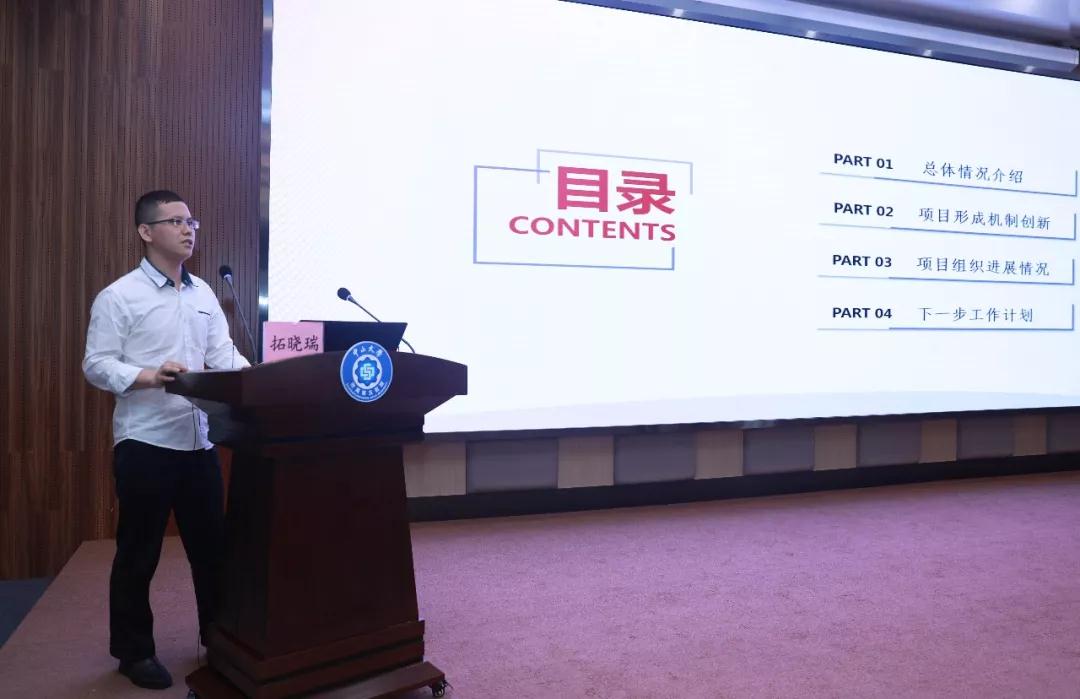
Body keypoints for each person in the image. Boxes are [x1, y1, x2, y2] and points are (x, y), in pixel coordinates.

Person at [82, 190, 250, 690]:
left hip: (199, 442)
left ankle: (219, 640)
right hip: (146, 443)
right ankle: (133, 653)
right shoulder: (119, 296)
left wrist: (261, 379)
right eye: (175, 221)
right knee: (140, 553)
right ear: (145, 232)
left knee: (211, 551)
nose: (187, 230)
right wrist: (151, 375)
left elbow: (223, 356)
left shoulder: (204, 295)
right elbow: (96, 364)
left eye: (191, 221)